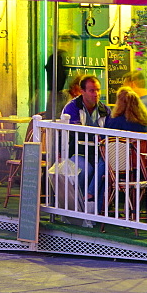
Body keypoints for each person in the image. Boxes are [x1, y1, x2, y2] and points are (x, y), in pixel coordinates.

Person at [61, 75, 109, 212]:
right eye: (92, 90)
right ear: (82, 91)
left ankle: (96, 209)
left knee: (106, 169)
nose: (96, 94)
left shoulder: (104, 110)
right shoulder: (72, 108)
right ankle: (77, 205)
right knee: (85, 170)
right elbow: (73, 133)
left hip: (99, 153)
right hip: (77, 151)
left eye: (98, 90)